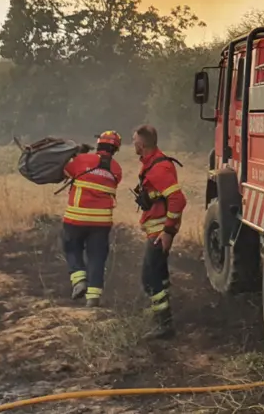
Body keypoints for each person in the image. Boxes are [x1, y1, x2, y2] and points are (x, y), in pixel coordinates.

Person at [132, 124, 186, 340]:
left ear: (142, 144)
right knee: (159, 274)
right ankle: (160, 315)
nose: (133, 144)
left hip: (160, 231)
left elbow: (178, 199)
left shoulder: (158, 169)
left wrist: (168, 232)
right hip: (156, 228)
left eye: (134, 140)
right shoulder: (151, 163)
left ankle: (164, 323)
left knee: (150, 276)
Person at [61, 131, 123, 307]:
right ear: (115, 149)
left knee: (71, 248)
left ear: (98, 144)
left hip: (76, 218)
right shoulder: (117, 169)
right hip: (101, 222)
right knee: (97, 257)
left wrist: (76, 155)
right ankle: (93, 298)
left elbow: (65, 171)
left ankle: (79, 280)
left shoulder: (82, 160)